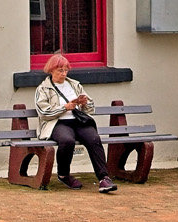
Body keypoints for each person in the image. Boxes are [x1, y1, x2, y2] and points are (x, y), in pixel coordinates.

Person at [35, 54, 117, 193]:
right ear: (51, 70)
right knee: (67, 141)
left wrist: (85, 103)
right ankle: (63, 174)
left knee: (94, 138)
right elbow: (44, 113)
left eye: (66, 70)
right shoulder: (43, 89)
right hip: (57, 123)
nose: (64, 73)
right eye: (60, 70)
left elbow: (90, 109)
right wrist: (64, 108)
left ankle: (104, 178)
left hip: (77, 121)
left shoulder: (74, 84)